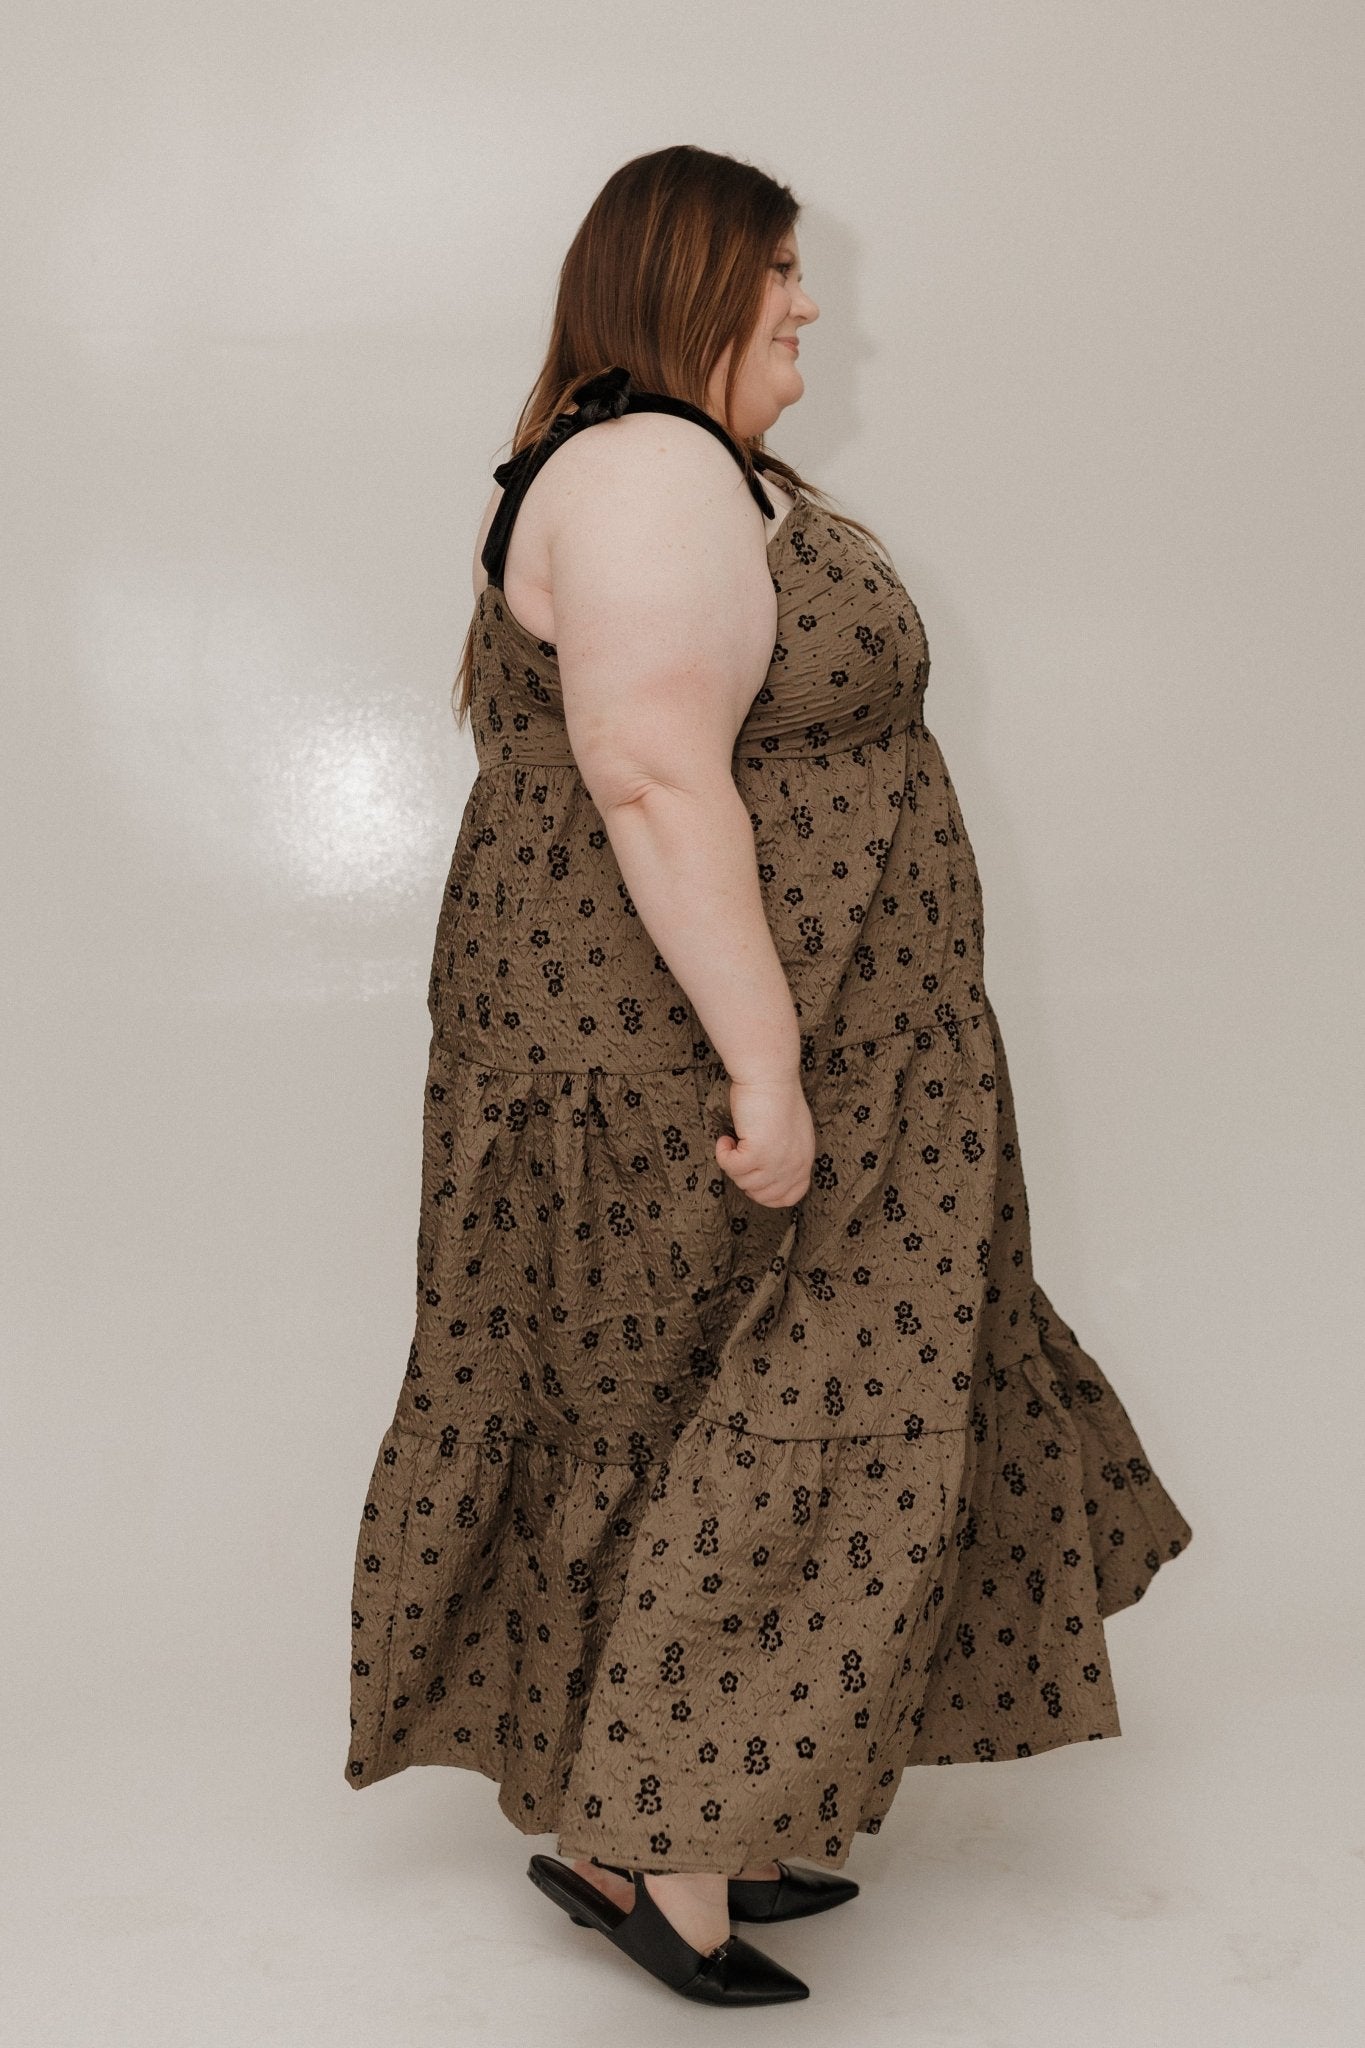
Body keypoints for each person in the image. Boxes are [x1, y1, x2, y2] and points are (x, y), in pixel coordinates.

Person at [343, 144, 1193, 2006]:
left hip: (761, 1044)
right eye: (782, 267)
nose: (810, 302)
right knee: (784, 1418)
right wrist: (767, 1070)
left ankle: (632, 1820)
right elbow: (652, 779)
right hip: (705, 1058)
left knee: (668, 1408)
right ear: (688, 280)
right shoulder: (648, 467)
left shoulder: (655, 460)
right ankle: (676, 1860)